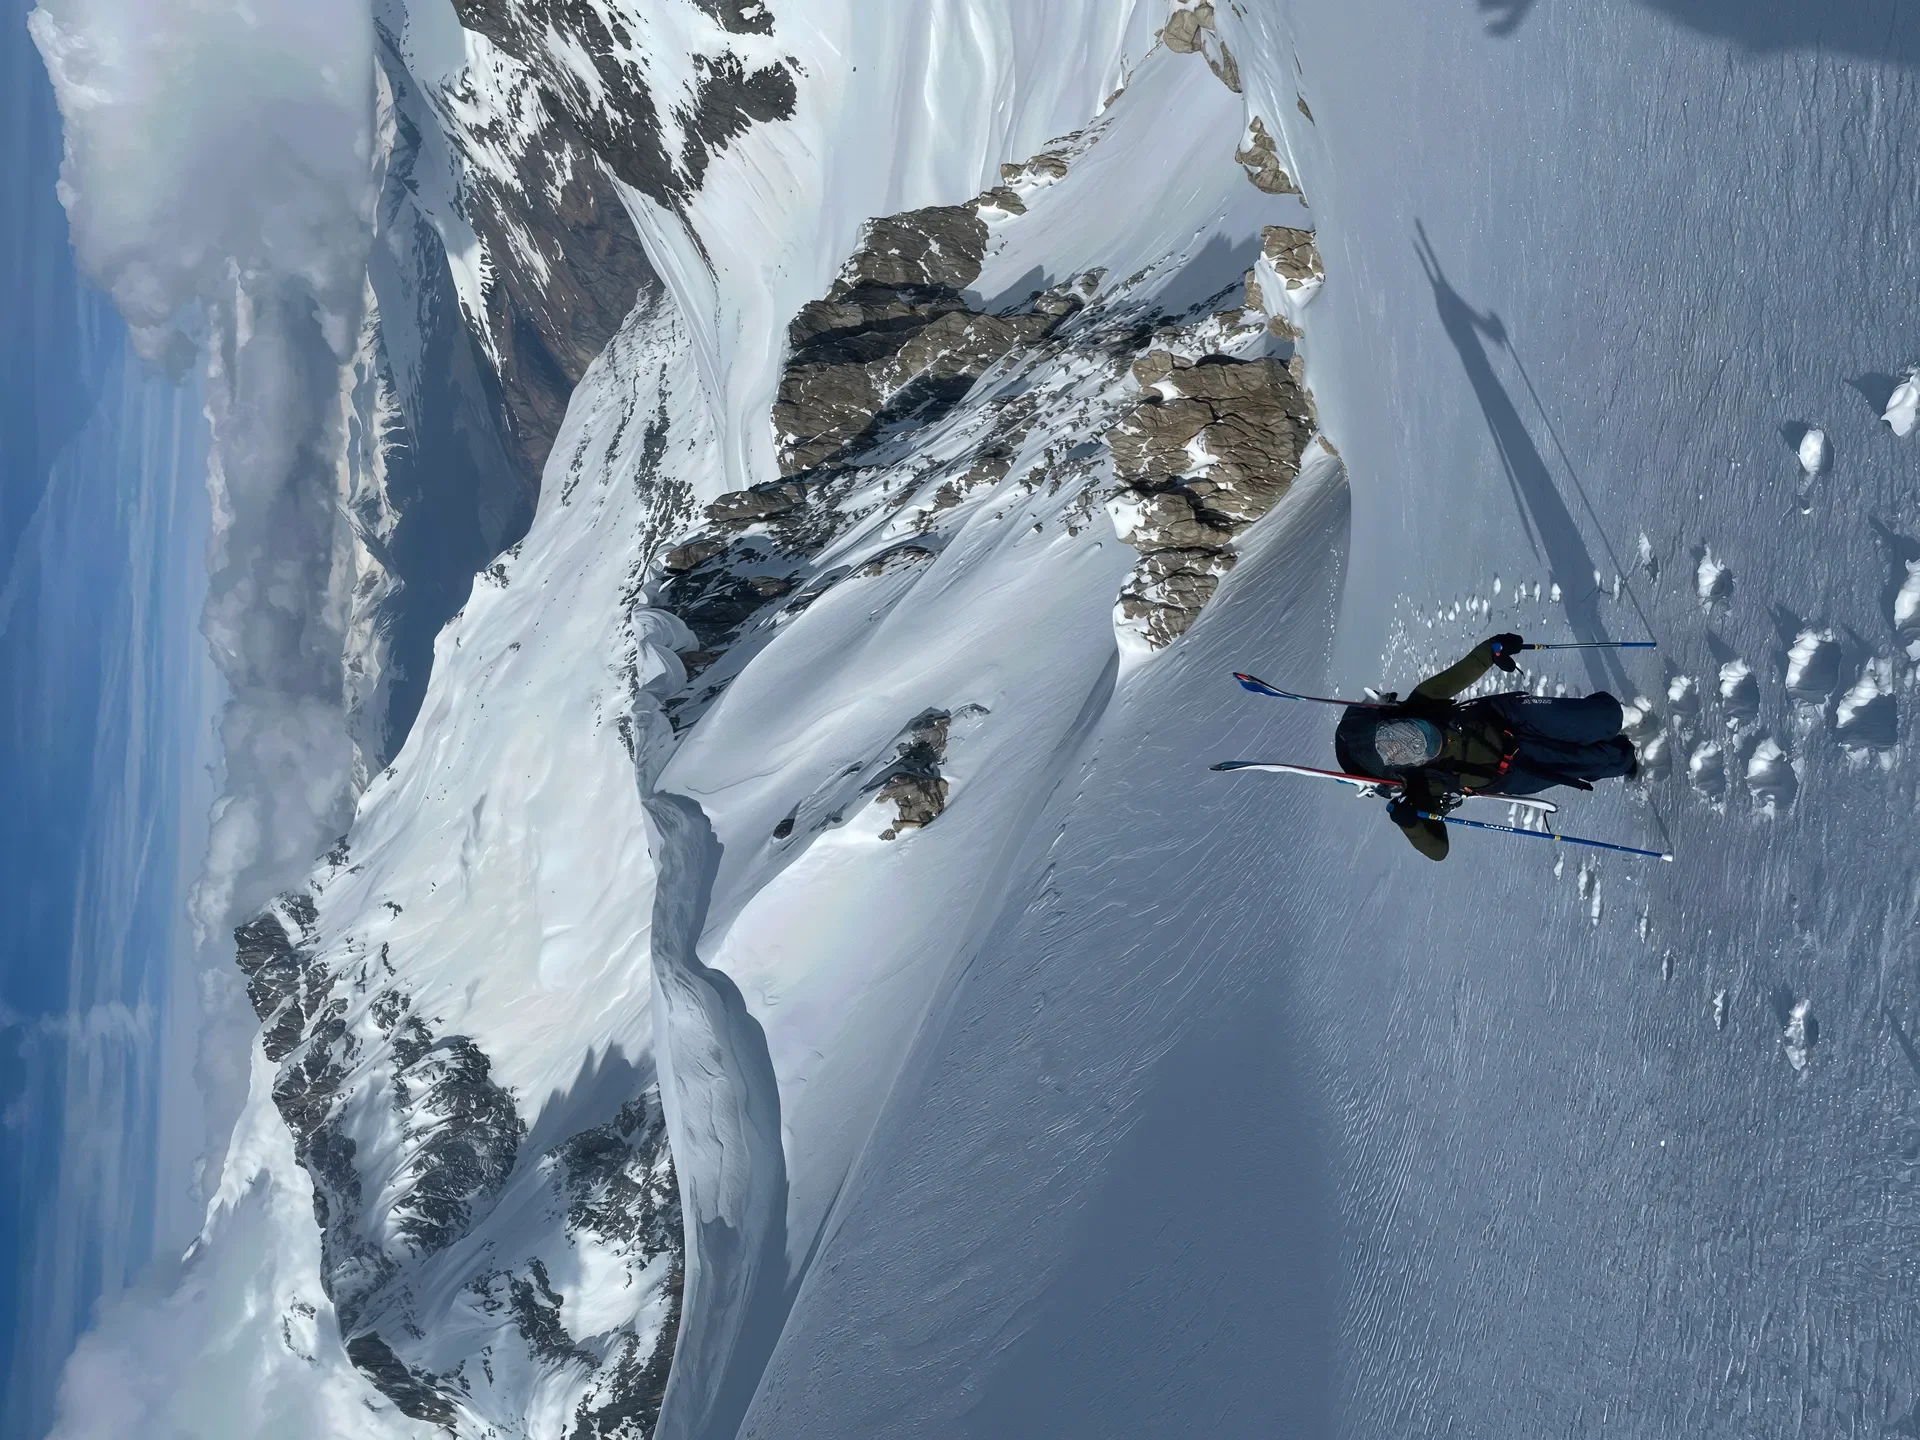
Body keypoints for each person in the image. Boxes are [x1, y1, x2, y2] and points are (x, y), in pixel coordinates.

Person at [1335, 633, 1637, 861]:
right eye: (1392, 752)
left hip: (1509, 718)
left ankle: (1625, 717)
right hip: (1510, 773)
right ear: (1391, 767)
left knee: (1601, 719)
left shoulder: (1421, 704)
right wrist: (1411, 825)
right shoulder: (1418, 787)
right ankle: (1625, 756)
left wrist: (1494, 649)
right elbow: (1439, 850)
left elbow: (1465, 669)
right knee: (1600, 761)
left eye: (1390, 737)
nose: (1398, 746)